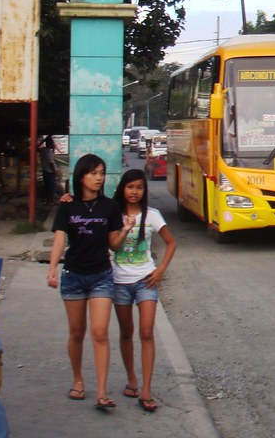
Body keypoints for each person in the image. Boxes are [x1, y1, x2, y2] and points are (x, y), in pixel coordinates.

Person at [47, 154, 136, 411]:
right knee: (77, 333)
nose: (99, 178)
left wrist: (126, 229)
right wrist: (52, 267)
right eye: (93, 173)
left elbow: (114, 245)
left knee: (100, 332)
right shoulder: (67, 206)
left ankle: (101, 392)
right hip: (73, 276)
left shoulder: (109, 208)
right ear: (81, 176)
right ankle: (78, 380)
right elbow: (60, 239)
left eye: (102, 173)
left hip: (101, 276)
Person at [111, 168, 177, 413]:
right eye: (130, 187)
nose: (134, 192)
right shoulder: (114, 215)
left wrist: (160, 270)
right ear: (123, 189)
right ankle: (132, 379)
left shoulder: (152, 215)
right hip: (119, 282)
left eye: (139, 187)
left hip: (145, 281)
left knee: (147, 331)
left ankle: (146, 389)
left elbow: (171, 243)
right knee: (126, 331)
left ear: (144, 190)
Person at [39, 135, 59, 205]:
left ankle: (48, 201)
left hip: (45, 171)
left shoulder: (43, 150)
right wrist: (54, 171)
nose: (53, 145)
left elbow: (36, 148)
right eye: (52, 143)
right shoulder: (48, 152)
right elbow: (51, 162)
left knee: (47, 187)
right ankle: (50, 201)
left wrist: (44, 141)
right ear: (50, 144)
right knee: (51, 187)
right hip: (50, 172)